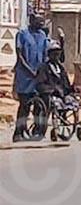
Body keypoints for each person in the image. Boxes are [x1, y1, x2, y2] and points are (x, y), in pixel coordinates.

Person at [12, 13, 49, 142]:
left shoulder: (43, 36)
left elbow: (46, 55)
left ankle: (36, 132)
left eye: (42, 22)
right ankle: (18, 133)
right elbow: (20, 55)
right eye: (38, 21)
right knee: (24, 106)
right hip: (24, 77)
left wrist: (41, 72)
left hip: (38, 77)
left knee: (39, 107)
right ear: (31, 21)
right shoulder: (22, 34)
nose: (41, 24)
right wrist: (29, 70)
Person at [36, 42, 78, 111]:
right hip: (52, 94)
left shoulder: (61, 68)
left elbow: (66, 83)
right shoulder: (44, 68)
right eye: (54, 54)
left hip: (63, 94)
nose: (56, 56)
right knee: (57, 103)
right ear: (49, 55)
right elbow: (41, 85)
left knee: (73, 102)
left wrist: (72, 88)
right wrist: (54, 89)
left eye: (58, 54)